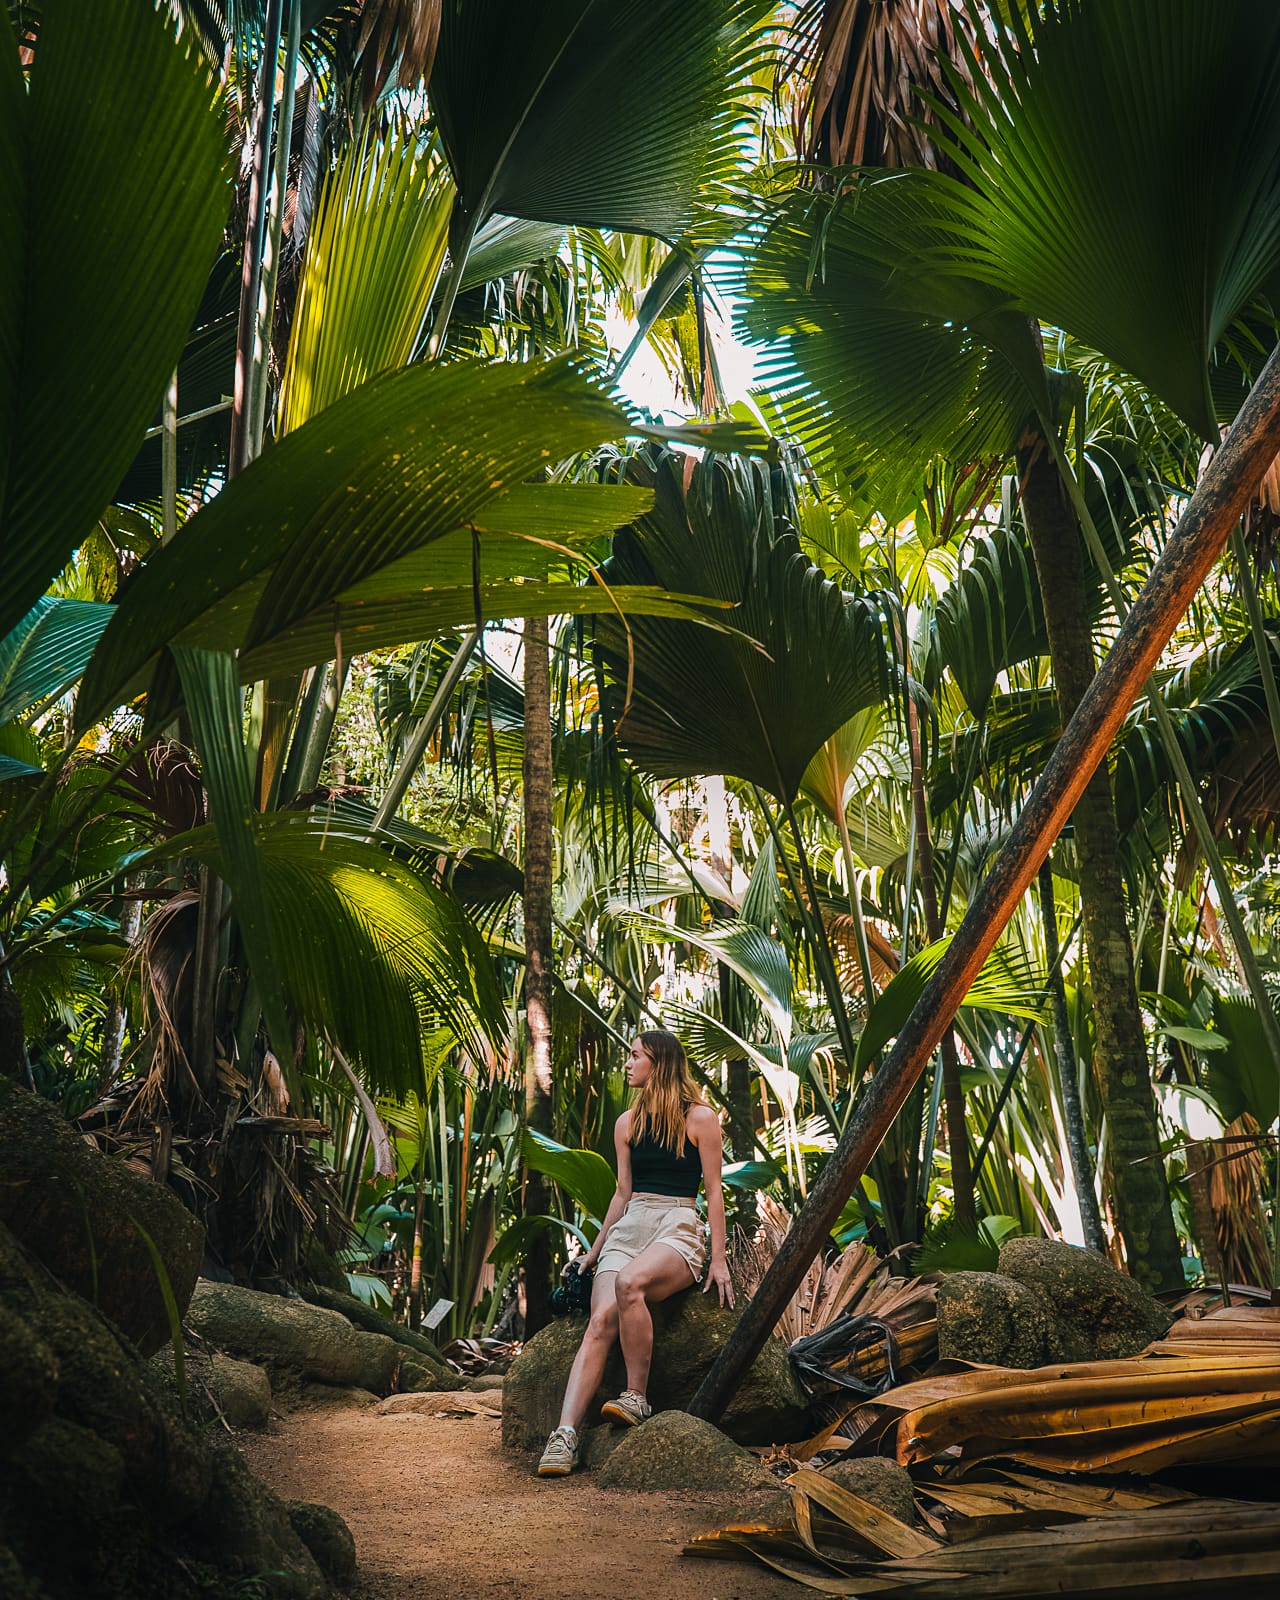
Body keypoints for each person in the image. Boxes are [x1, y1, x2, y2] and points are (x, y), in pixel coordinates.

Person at [537, 1030, 734, 1476]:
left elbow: (714, 1192)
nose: (626, 1064)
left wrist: (717, 1258)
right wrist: (596, 1249)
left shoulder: (700, 1118)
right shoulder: (626, 1122)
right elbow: (623, 1194)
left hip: (677, 1224)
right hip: (632, 1224)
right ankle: (565, 1435)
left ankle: (636, 1397)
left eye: (634, 1056)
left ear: (658, 1064)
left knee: (630, 1284)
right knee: (600, 1320)